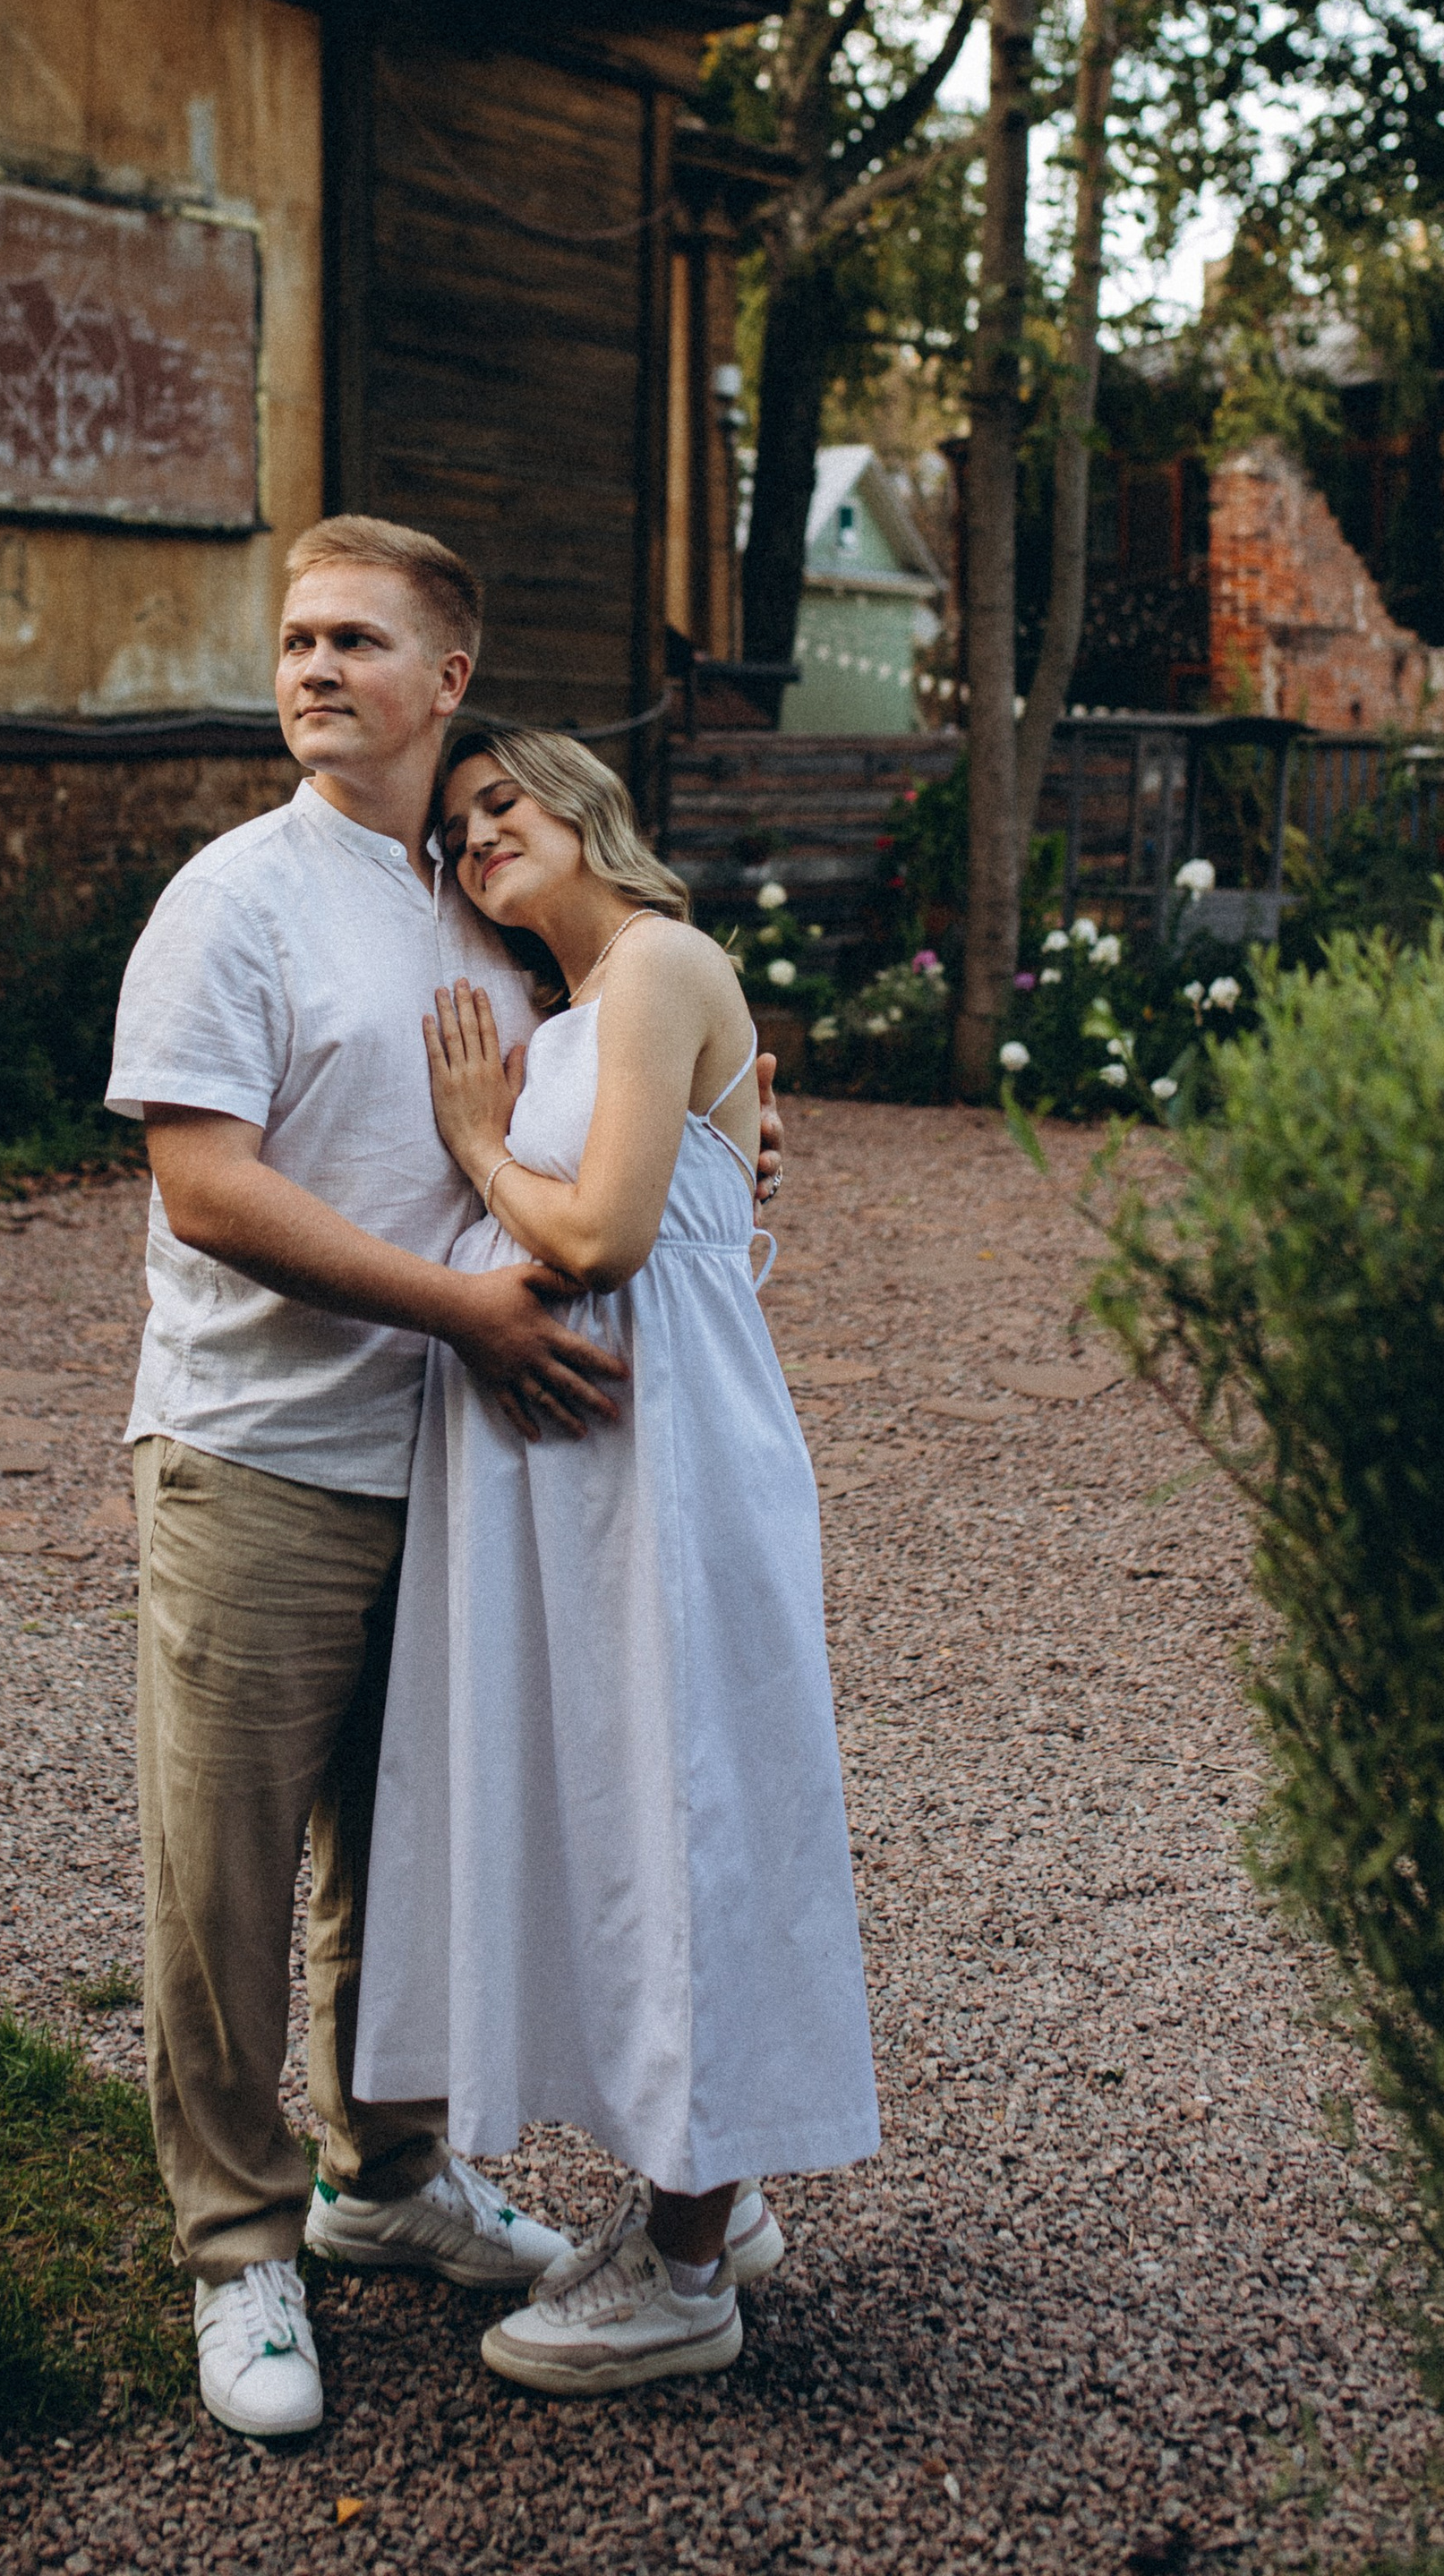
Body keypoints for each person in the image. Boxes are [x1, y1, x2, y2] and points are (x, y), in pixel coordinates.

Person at [104, 516, 780, 2441]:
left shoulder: (482, 888)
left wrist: (739, 1130)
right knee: (223, 1874)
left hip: (469, 1476)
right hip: (263, 1447)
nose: (311, 667)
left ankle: (382, 2182)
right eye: (295, 638)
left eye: (355, 640)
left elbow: (629, 1061)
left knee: (404, 1853)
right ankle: (239, 2253)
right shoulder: (235, 899)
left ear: (448, 677)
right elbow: (204, 1186)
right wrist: (469, 1310)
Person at [355, 726, 880, 2397]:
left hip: (670, 1461)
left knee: (696, 1802)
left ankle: (683, 2265)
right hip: (584, 1473)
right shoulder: (575, 1016)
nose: (477, 840)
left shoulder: (659, 959)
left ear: (587, 811)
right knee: (620, 1817)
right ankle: (697, 2196)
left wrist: (474, 1144)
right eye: (455, 830)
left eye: (502, 806)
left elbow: (602, 1235)